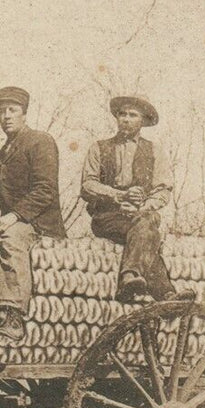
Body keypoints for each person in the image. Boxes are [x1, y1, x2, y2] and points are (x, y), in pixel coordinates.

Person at [80, 94, 195, 302]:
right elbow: (87, 185)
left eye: (132, 115)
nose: (125, 119)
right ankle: (164, 291)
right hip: (108, 217)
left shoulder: (154, 151)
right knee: (147, 233)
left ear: (142, 121)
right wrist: (118, 196)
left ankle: (133, 278)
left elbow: (163, 189)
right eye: (121, 114)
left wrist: (143, 206)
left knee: (145, 225)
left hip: (140, 215)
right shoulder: (98, 147)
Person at [0, 86, 66, 342]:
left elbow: (45, 190)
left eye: (12, 110)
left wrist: (13, 217)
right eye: (1, 111)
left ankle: (15, 317)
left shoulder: (40, 141)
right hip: (15, 219)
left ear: (24, 113)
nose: (6, 116)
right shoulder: (3, 152)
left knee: (11, 239)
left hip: (39, 222)